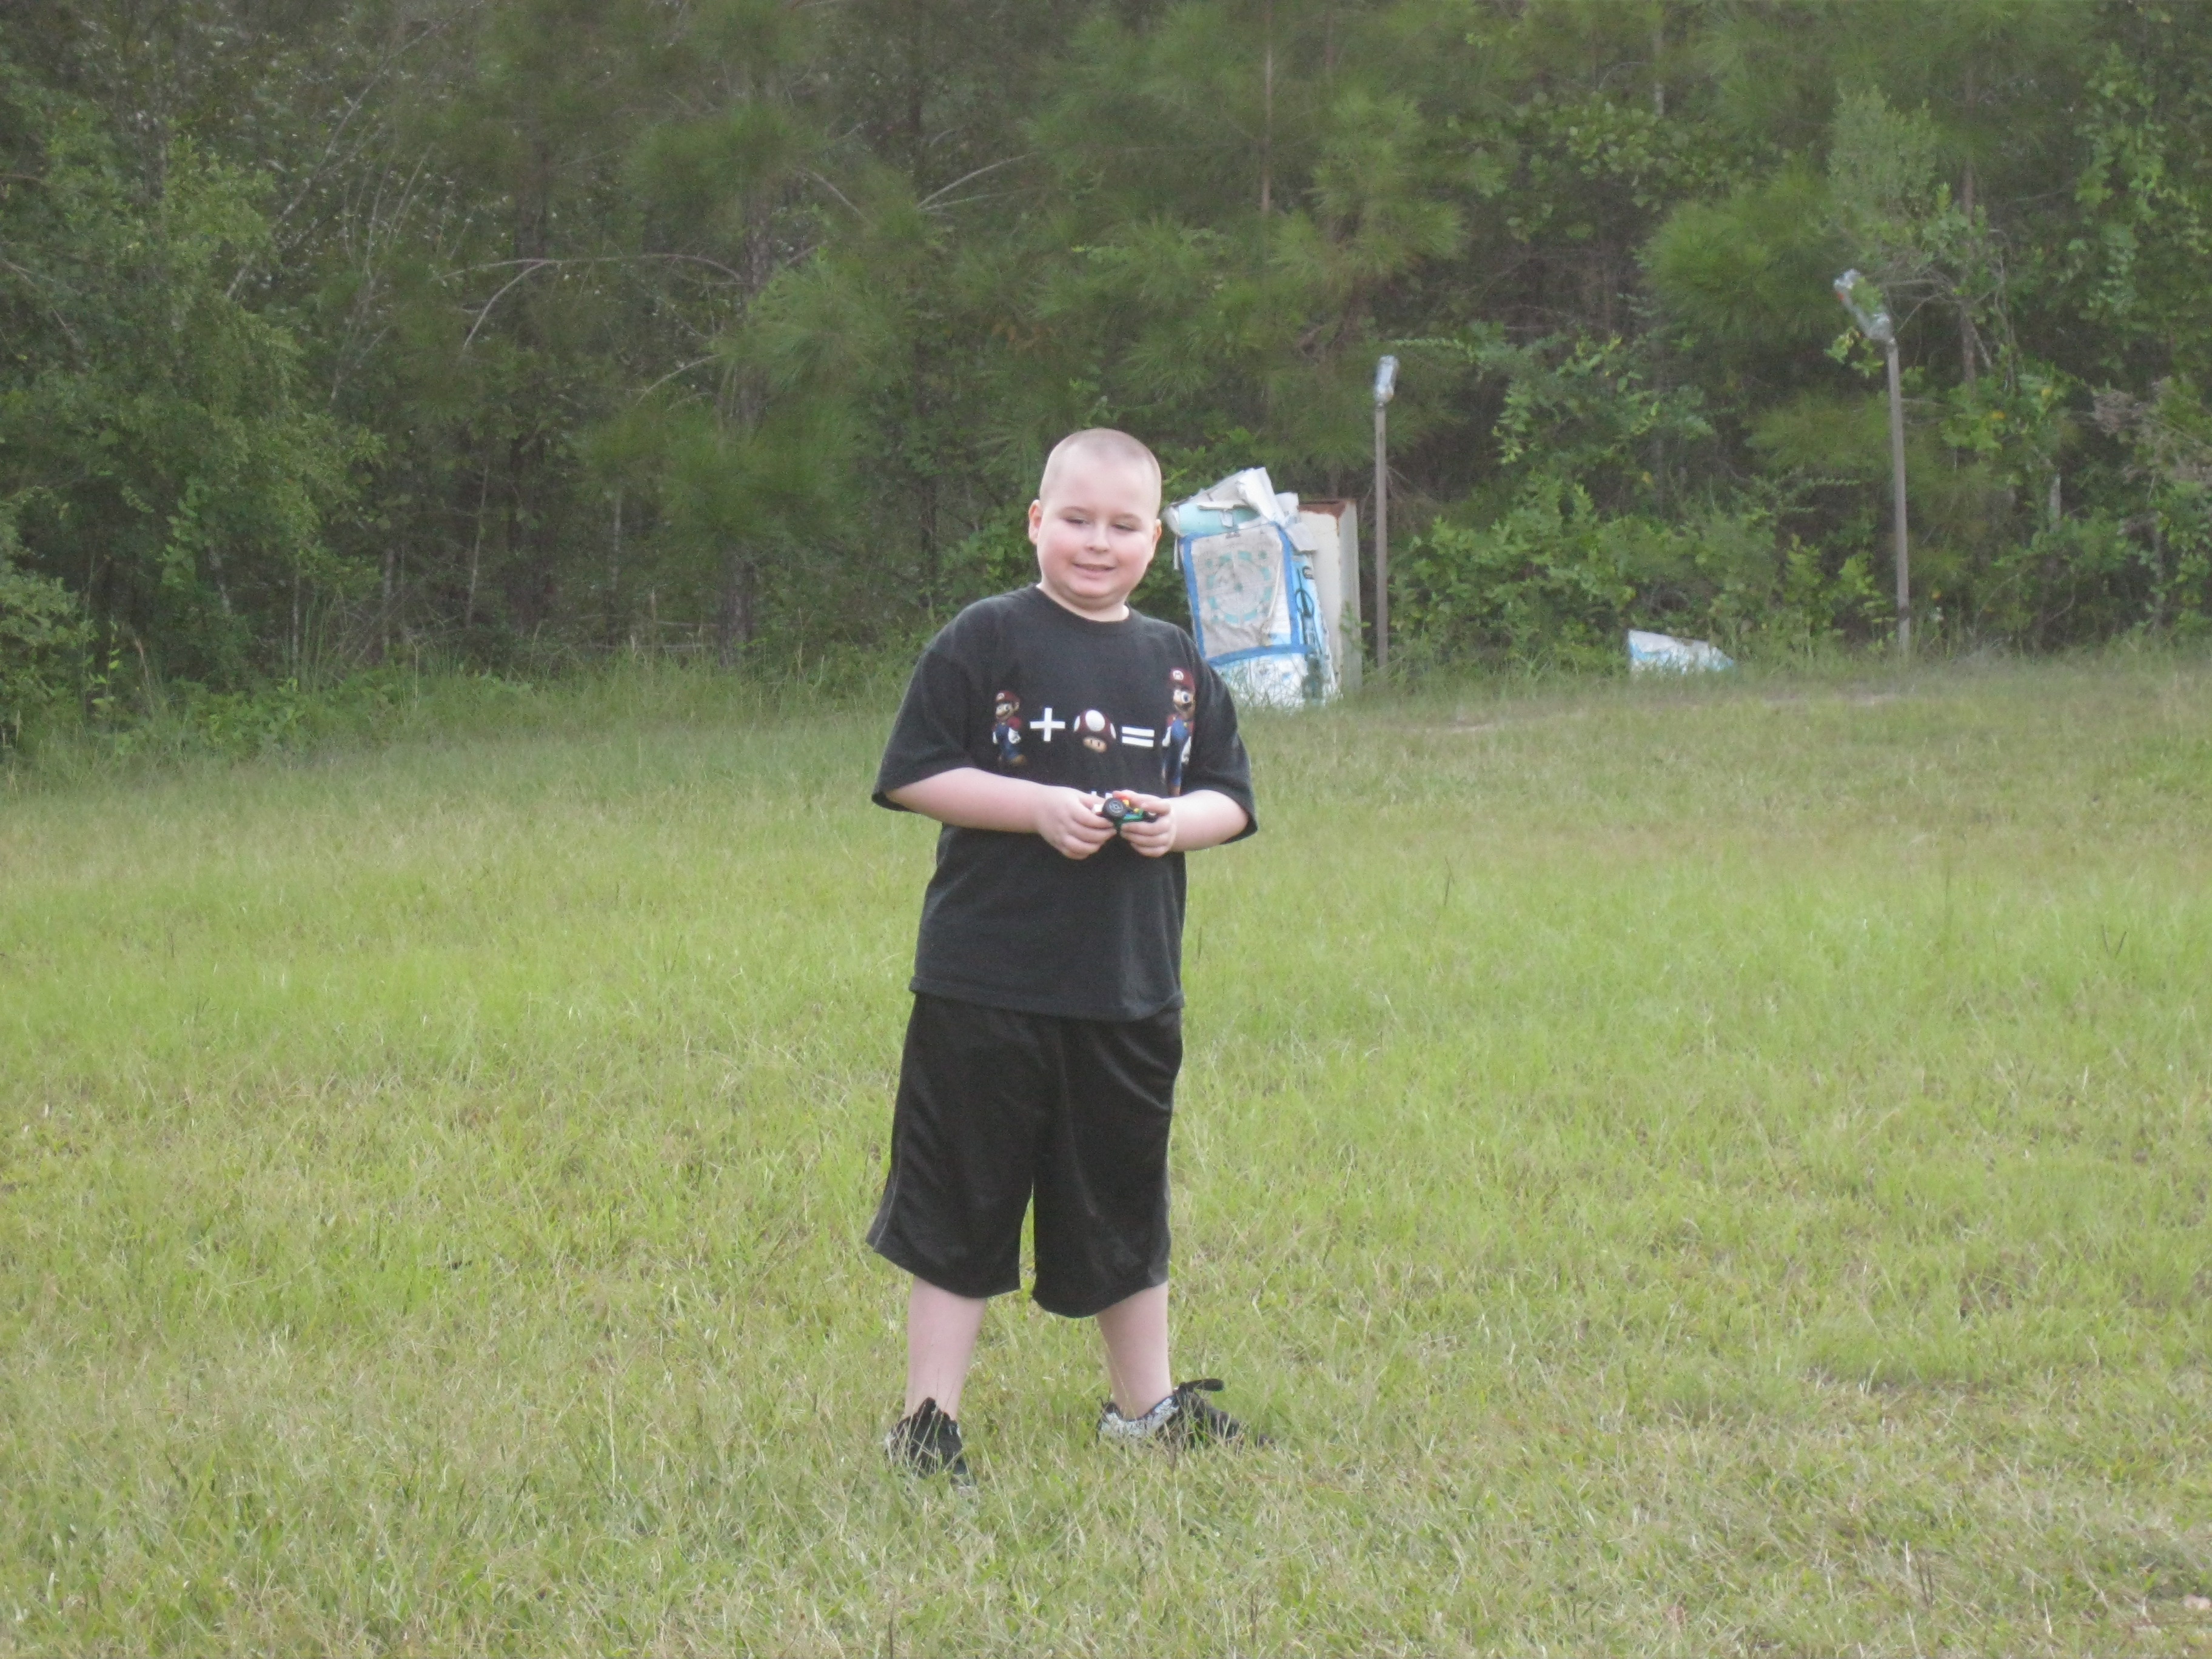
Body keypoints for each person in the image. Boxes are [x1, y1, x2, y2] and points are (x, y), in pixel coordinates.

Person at [868, 427, 1262, 1481]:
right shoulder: (985, 637)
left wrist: (1176, 823)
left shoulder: (1176, 662)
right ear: (1037, 523)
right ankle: (927, 1422)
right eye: (1076, 520)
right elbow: (914, 772)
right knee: (961, 1200)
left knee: (1124, 1202)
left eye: (1123, 525)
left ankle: (1145, 1408)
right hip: (984, 984)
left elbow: (1229, 796)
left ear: (1155, 539)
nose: (1098, 543)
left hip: (1127, 988)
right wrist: (1036, 807)